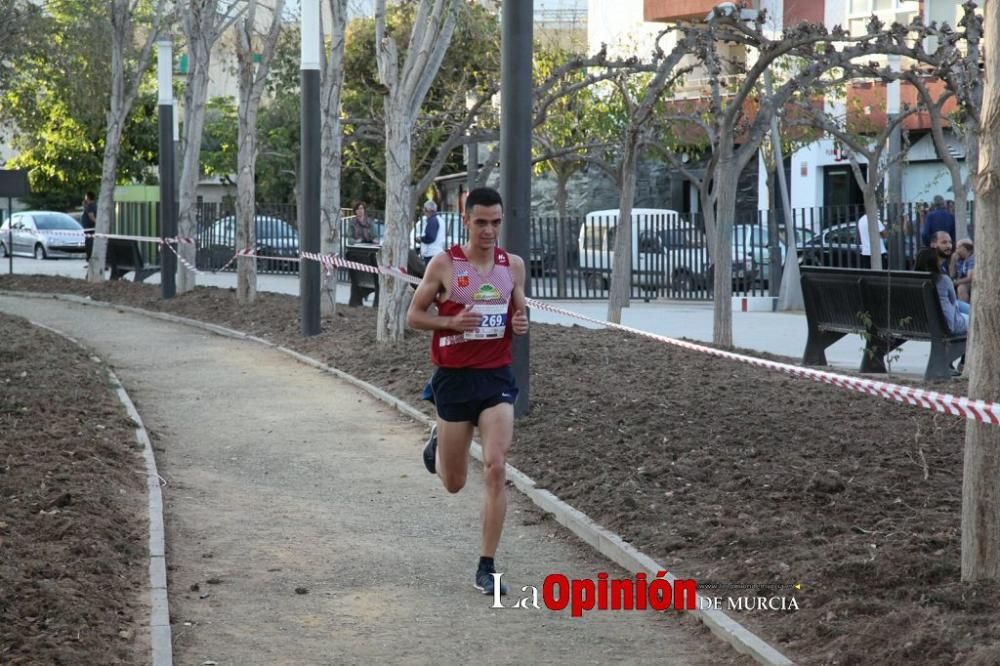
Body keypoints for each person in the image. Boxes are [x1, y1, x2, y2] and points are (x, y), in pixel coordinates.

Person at [405, 187, 529, 597]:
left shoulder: (512, 266)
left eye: (496, 222)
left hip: (496, 378)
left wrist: (520, 321)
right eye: (481, 222)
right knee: (454, 483)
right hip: (455, 379)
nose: (489, 230)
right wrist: (450, 325)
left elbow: (518, 309)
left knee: (495, 465)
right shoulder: (444, 264)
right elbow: (414, 316)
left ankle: (487, 567)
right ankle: (439, 445)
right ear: (465, 221)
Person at [914, 247, 968, 336]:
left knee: (966, 309)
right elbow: (953, 300)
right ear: (934, 263)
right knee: (976, 320)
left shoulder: (913, 280)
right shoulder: (943, 279)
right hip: (948, 326)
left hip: (922, 325)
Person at [418, 199, 446, 265]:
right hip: (436, 253)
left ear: (428, 210)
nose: (424, 212)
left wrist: (421, 239)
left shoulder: (432, 221)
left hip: (431, 253)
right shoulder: (439, 220)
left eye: (424, 209)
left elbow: (430, 237)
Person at [952, 238, 975, 303]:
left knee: (961, 288)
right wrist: (953, 261)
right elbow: (952, 275)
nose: (956, 251)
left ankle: (965, 311)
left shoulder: (972, 258)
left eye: (958, 248)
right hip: (960, 281)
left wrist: (955, 283)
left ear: (964, 248)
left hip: (972, 282)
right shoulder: (960, 259)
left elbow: (970, 278)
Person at [81, 191, 97, 261]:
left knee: (89, 244)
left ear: (88, 197)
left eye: (85, 197)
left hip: (90, 229)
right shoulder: (93, 205)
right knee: (90, 243)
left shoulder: (91, 205)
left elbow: (91, 216)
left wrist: (97, 224)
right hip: (90, 229)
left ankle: (90, 259)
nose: (85, 199)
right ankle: (90, 259)